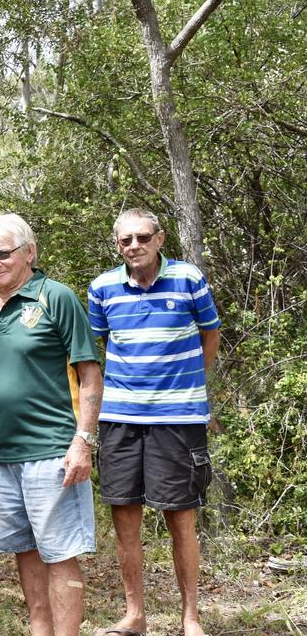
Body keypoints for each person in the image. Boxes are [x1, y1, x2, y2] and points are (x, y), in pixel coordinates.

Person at [0, 214, 103, 636]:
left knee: (60, 554)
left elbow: (90, 375)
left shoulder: (56, 298)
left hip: (52, 451)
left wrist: (83, 442)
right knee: (24, 550)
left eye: (3, 253)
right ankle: (39, 629)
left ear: (29, 252)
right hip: (2, 456)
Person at [87, 209, 221, 636]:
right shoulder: (102, 288)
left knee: (180, 516)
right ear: (117, 245)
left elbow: (210, 334)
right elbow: (106, 343)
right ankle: (135, 615)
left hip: (178, 417)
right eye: (125, 240)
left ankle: (190, 618)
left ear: (160, 238)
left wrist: (189, 384)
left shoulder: (188, 279)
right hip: (120, 418)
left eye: (142, 237)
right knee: (124, 519)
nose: (134, 246)